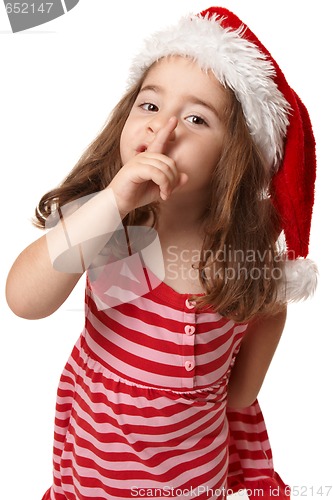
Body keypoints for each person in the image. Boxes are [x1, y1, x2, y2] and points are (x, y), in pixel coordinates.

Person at [5, 6, 317, 500]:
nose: (164, 129)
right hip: (101, 462)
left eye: (196, 118)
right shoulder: (116, 228)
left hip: (195, 473)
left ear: (235, 156)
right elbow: (24, 300)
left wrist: (225, 391)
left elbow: (254, 352)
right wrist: (112, 201)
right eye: (150, 106)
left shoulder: (240, 259)